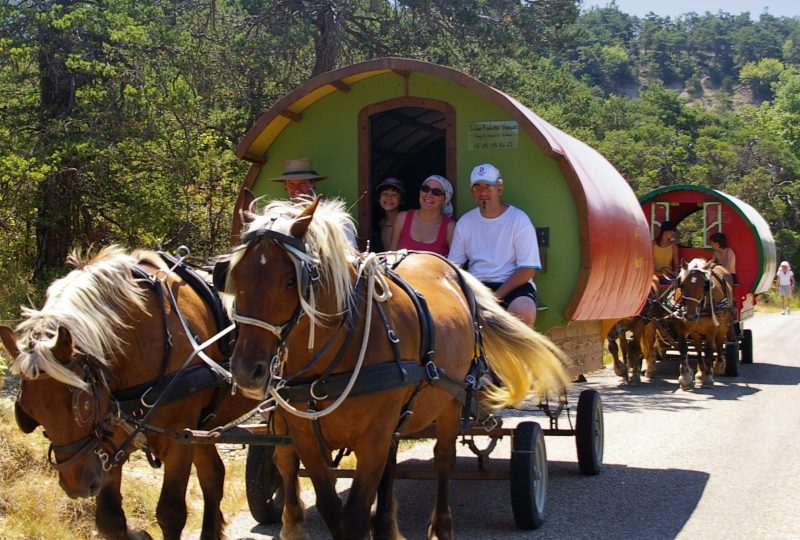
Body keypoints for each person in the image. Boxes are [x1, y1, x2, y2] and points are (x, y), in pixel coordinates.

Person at [448, 163, 541, 327]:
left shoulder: (519, 220)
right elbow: (454, 266)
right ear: (472, 192)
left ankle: (517, 353)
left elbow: (527, 269)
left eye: (488, 187)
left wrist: (495, 298)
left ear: (499, 189)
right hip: (477, 285)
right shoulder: (465, 222)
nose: (483, 193)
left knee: (524, 311)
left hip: (512, 286)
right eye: (477, 188)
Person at [269, 157, 357, 247]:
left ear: (312, 183)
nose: (296, 190)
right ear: (285, 186)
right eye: (291, 184)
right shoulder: (279, 215)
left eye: (302, 184)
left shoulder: (333, 213)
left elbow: (349, 249)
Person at [389, 174, 455, 257]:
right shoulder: (402, 219)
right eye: (425, 189)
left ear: (445, 199)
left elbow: (454, 262)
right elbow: (391, 257)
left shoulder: (449, 227)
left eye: (436, 192)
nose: (429, 194)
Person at [374, 177, 405, 252]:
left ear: (401, 200)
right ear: (379, 198)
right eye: (385, 193)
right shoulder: (379, 223)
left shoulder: (406, 223)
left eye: (394, 194)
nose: (389, 197)